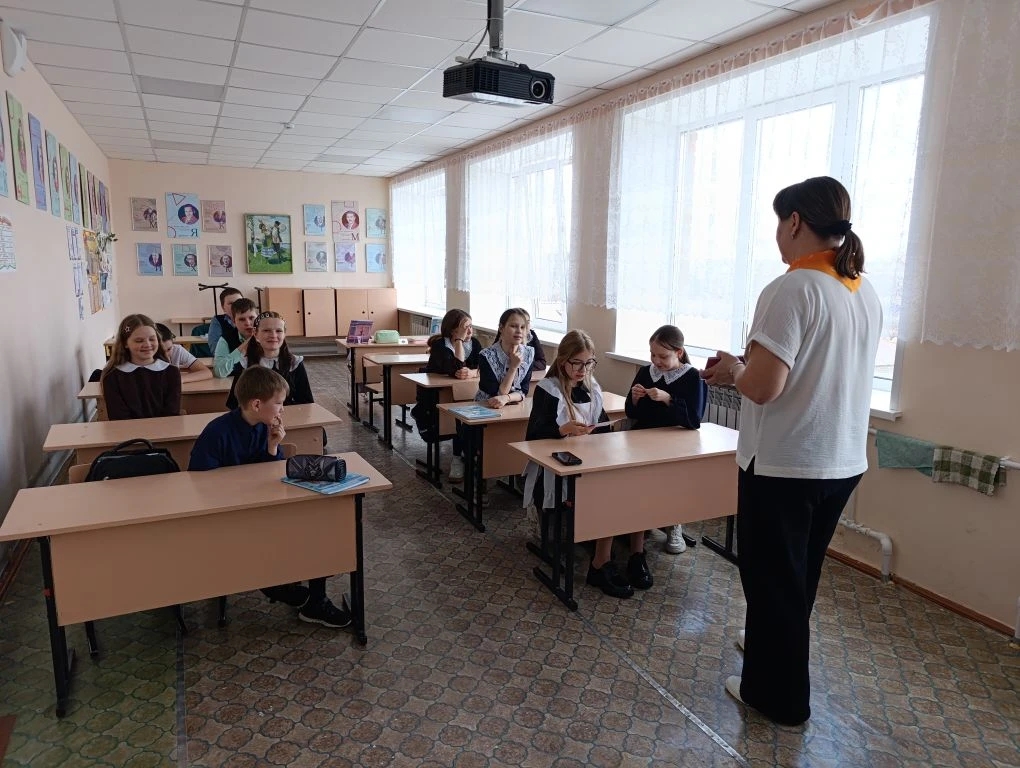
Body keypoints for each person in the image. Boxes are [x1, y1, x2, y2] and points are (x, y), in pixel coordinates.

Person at [702, 176, 881, 726]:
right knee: (798, 574)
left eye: (780, 224)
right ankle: (769, 645)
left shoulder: (792, 288)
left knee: (771, 579)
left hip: (785, 463)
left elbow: (762, 387)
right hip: (840, 460)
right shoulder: (863, 290)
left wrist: (732, 370)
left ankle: (776, 697)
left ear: (796, 221)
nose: (778, 236)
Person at [188, 366, 351, 628]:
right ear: (256, 404)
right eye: (279, 403)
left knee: (316, 526)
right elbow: (198, 481)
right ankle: (278, 587)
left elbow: (271, 473)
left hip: (262, 506)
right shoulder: (217, 432)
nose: (282, 410)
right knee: (266, 545)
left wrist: (273, 446)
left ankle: (315, 601)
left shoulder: (264, 427)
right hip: (231, 514)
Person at [522, 331, 635, 597]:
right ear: (563, 362)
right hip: (554, 467)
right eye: (577, 363)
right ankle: (598, 555)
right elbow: (533, 436)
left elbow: (601, 424)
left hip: (588, 459)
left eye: (589, 363)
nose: (583, 370)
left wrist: (604, 430)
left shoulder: (591, 388)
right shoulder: (549, 389)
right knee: (601, 494)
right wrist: (562, 430)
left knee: (619, 486)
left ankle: (603, 549)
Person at [625, 324, 707, 555]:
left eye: (662, 356)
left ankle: (673, 524)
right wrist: (635, 399)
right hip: (644, 438)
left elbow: (694, 420)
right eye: (653, 355)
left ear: (679, 353)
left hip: (675, 443)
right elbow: (631, 412)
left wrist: (669, 399)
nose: (656, 361)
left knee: (670, 483)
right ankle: (637, 523)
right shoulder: (645, 372)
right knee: (638, 483)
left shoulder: (693, 377)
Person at [424, 309, 481, 482]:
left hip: (470, 394)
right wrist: (458, 342)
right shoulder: (440, 346)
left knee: (472, 421)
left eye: (471, 326)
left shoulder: (475, 343)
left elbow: (484, 366)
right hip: (439, 398)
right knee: (458, 422)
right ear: (453, 330)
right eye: (465, 327)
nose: (470, 331)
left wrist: (473, 373)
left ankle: (471, 455)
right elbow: (457, 368)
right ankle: (457, 458)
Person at [100, 314, 182, 420]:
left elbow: (171, 413)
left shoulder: (172, 372)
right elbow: (119, 417)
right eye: (139, 341)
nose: (147, 344)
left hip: (165, 429)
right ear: (125, 343)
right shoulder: (112, 377)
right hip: (127, 430)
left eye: (152, 339)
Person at [225, 312, 314, 409]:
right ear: (255, 333)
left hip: (287, 416)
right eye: (266, 330)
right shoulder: (245, 364)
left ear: (284, 334)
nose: (273, 335)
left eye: (279, 331)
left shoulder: (294, 363)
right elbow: (234, 403)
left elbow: (306, 402)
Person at [475, 308, 534, 408]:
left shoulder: (529, 353)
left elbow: (523, 391)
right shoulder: (486, 355)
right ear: (501, 328)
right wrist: (513, 368)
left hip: (513, 407)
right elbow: (498, 395)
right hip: (486, 408)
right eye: (513, 326)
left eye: (522, 327)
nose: (519, 331)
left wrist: (507, 398)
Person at [213, 297, 257, 378]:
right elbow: (218, 372)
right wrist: (246, 344)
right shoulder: (225, 339)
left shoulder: (267, 336)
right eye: (242, 319)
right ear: (234, 322)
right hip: (238, 383)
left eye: (251, 318)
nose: (248, 323)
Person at [493, 307, 547, 373]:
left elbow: (542, 363)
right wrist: (513, 366)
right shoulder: (505, 336)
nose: (520, 330)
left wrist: (523, 365)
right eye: (514, 325)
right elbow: (494, 359)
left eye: (527, 323)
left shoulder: (532, 335)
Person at [207, 287, 243, 356]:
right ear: (223, 307)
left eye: (239, 301)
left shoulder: (253, 319)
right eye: (231, 303)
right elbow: (215, 349)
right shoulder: (217, 321)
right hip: (228, 360)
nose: (236, 305)